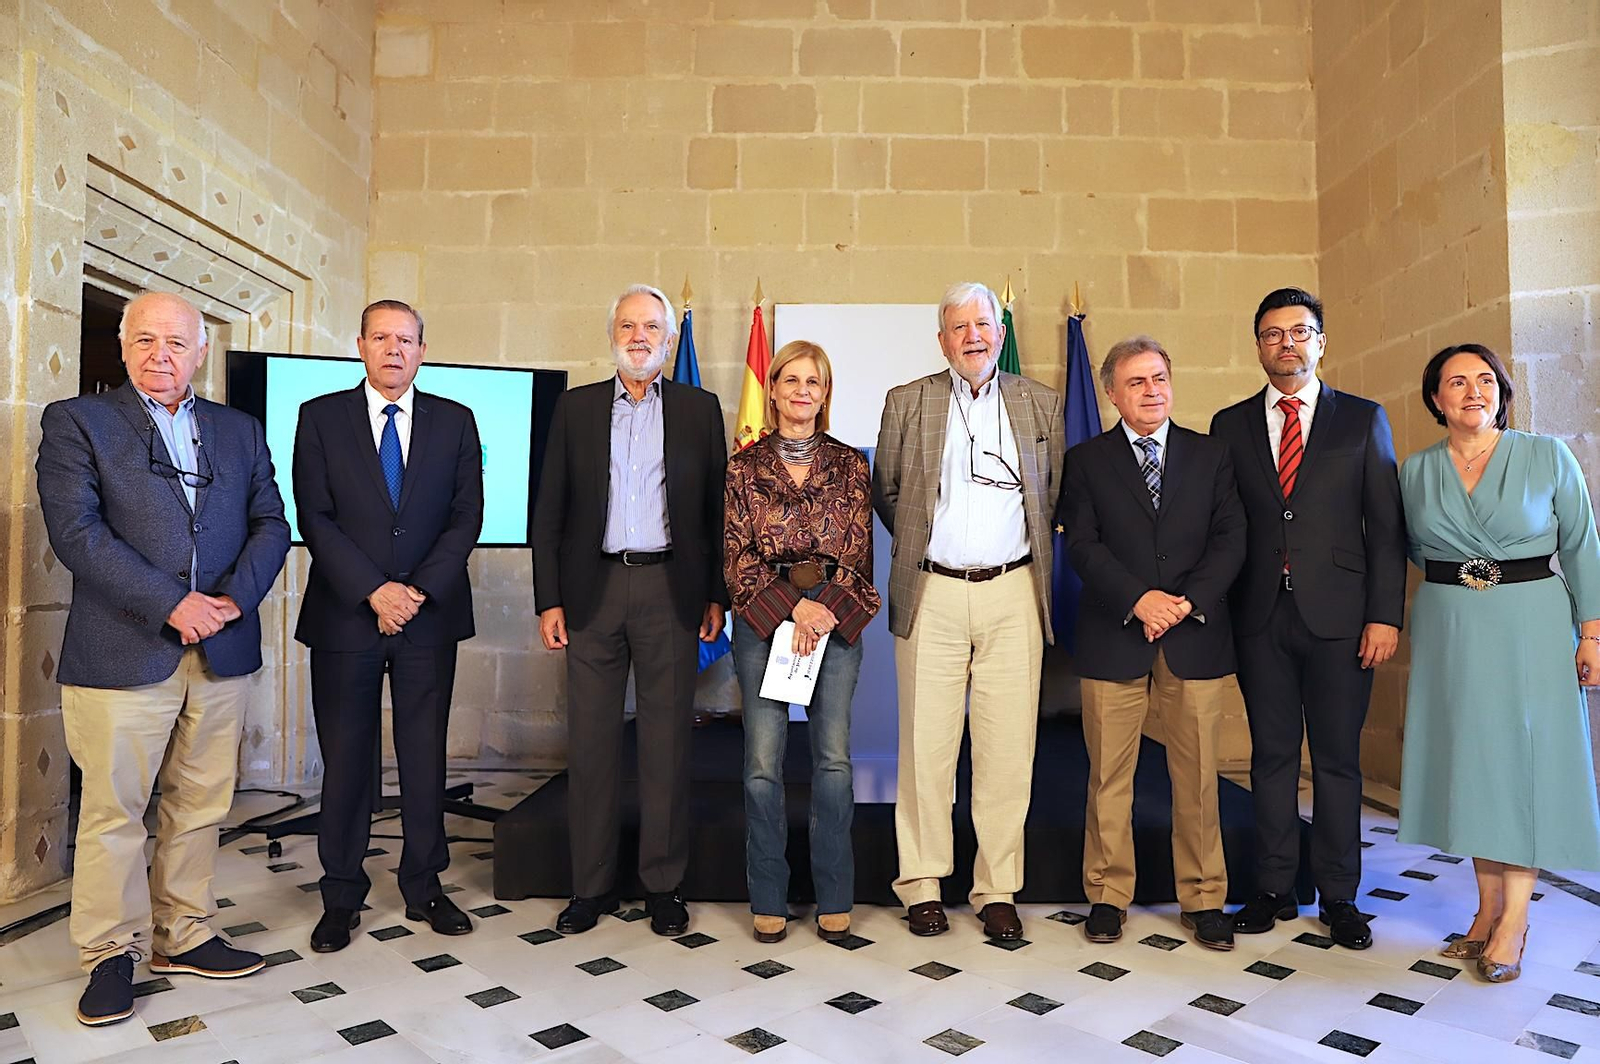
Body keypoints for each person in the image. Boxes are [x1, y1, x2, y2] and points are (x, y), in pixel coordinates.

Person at [36, 291, 290, 1026]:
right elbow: (77, 535)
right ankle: (111, 952)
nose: (161, 355)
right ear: (123, 349)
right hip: (122, 652)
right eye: (145, 340)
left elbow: (271, 523)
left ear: (200, 352)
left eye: (176, 343)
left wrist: (232, 602)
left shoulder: (239, 430)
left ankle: (184, 931)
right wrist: (171, 603)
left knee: (201, 801)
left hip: (222, 648)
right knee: (115, 813)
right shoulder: (77, 422)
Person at [1209, 287, 1406, 950]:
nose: (1285, 343)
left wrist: (1385, 616)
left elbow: (1385, 529)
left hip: (1344, 622)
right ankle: (1271, 888)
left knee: (1337, 761)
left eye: (1298, 332)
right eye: (1272, 333)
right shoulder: (1229, 425)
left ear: (1322, 341)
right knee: (1270, 757)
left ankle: (1341, 897)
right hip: (1260, 616)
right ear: (1258, 345)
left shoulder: (1361, 420)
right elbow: (1226, 527)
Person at [1398, 343, 1600, 983]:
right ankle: (1485, 911)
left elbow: (1583, 546)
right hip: (1452, 626)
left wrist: (1592, 635)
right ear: (1436, 399)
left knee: (1524, 764)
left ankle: (1515, 921)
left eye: (1485, 380)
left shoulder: (1548, 456)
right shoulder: (1415, 471)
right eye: (1456, 382)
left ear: (1502, 394)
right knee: (1475, 764)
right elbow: (1410, 547)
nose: (1472, 391)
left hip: (1532, 625)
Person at [532, 284, 728, 937]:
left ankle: (663, 887)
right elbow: (550, 512)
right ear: (611, 333)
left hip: (670, 589)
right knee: (590, 745)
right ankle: (589, 888)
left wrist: (715, 596)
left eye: (651, 327)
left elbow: (715, 514)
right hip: (593, 592)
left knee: (666, 745)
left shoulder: (701, 410)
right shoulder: (576, 408)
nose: (639, 336)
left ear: (669, 340)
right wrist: (549, 598)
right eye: (627, 325)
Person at [873, 281, 1064, 941]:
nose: (973, 337)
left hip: (1014, 592)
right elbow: (889, 491)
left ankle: (996, 888)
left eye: (982, 325)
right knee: (926, 749)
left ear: (999, 332)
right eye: (959, 328)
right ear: (943, 340)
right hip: (934, 591)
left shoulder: (1042, 404)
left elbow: (1052, 497)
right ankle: (922, 884)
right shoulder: (908, 402)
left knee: (1008, 750)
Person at [293, 299, 484, 952]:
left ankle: (425, 884)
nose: (394, 349)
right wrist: (374, 590)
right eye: (382, 337)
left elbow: (466, 517)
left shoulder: (456, 422)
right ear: (361, 345)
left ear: (423, 351)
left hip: (428, 619)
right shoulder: (319, 418)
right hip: (346, 616)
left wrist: (417, 592)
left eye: (407, 340)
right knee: (346, 759)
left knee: (425, 757)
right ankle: (341, 894)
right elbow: (315, 516)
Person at [1060, 336, 1246, 951]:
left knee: (1197, 777)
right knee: (1110, 777)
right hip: (1116, 636)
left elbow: (1231, 540)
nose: (1151, 391)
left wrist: (1183, 602)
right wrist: (1139, 600)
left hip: (1194, 636)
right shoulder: (1086, 460)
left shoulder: (1211, 455)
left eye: (1160, 378)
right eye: (1136, 382)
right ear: (1112, 392)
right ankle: (1108, 896)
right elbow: (1082, 545)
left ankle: (1204, 898)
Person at [725, 341, 879, 944]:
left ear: (825, 393)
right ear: (774, 389)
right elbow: (737, 560)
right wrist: (795, 608)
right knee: (762, 765)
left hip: (835, 627)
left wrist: (819, 614)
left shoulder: (850, 466)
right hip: (764, 625)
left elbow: (860, 559)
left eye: (813, 381)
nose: (801, 390)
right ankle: (767, 896)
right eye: (791, 379)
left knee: (833, 762)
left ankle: (834, 895)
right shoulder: (743, 468)